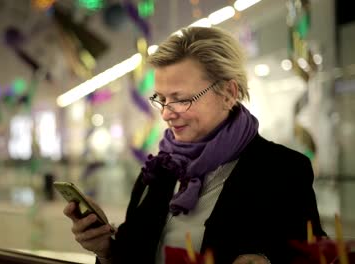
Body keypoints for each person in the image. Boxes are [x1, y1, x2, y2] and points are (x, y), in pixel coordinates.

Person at [63, 27, 326, 264]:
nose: (166, 113)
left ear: (228, 93)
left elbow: (308, 255)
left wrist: (267, 260)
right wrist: (107, 250)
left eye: (180, 99)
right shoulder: (159, 171)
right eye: (162, 99)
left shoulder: (282, 170)